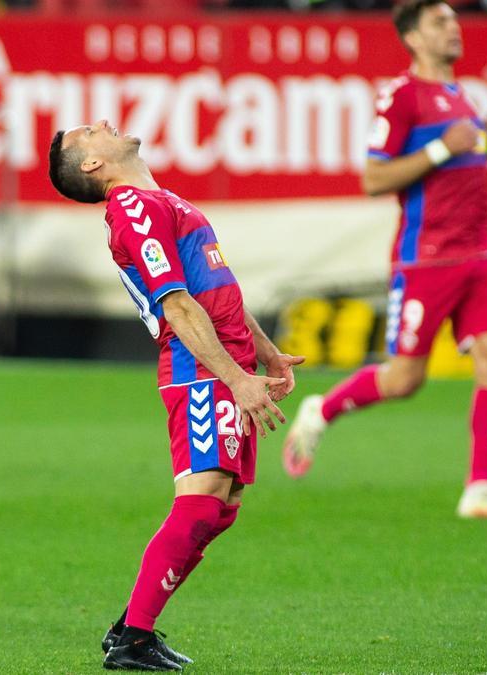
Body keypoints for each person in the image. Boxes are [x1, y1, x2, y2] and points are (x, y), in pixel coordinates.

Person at [47, 119, 305, 671]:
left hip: (225, 363)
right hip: (201, 370)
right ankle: (132, 637)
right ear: (92, 164)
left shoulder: (158, 200)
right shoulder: (135, 211)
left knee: (221, 507)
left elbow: (218, 284)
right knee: (202, 500)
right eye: (88, 132)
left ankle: (133, 629)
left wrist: (264, 351)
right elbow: (178, 305)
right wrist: (235, 378)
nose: (103, 124)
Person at [281, 0, 487, 520]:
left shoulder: (461, 97)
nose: (454, 28)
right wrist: (443, 150)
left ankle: (480, 487)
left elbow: (457, 162)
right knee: (405, 380)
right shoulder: (402, 97)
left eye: (455, 20)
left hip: (478, 250)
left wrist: (479, 148)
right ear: (413, 38)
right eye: (440, 22)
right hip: (426, 257)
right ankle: (320, 410)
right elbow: (373, 180)